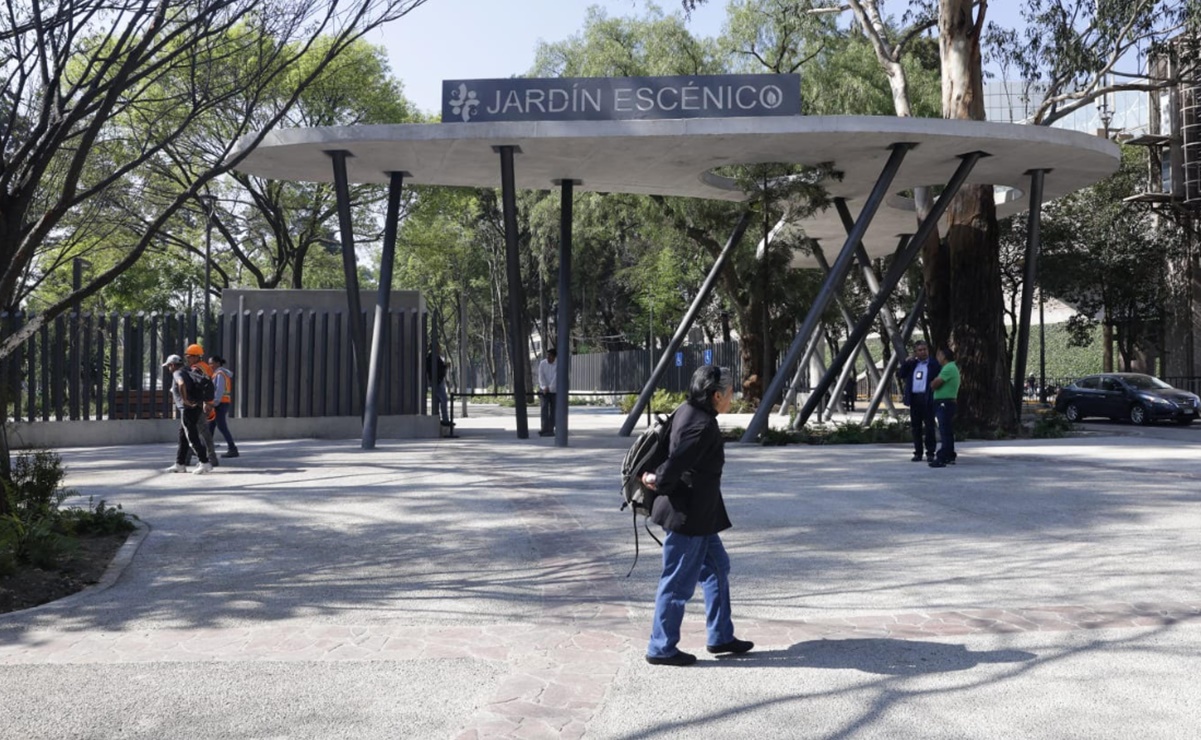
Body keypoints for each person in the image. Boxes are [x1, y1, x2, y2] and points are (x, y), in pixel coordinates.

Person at [640, 365, 752, 666]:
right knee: (677, 582)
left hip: (700, 513)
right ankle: (661, 647)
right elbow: (676, 463)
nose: (732, 399)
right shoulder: (701, 425)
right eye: (730, 394)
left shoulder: (686, 411)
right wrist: (655, 480)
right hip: (687, 515)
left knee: (717, 568)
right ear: (717, 395)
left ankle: (721, 636)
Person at [162, 353, 212, 475]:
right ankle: (180, 464)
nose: (169, 369)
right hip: (196, 406)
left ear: (173, 365)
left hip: (188, 409)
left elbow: (181, 383)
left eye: (169, 366)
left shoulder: (177, 373)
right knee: (183, 437)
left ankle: (205, 463)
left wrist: (184, 400)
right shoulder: (189, 370)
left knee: (192, 437)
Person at [897, 340, 941, 463]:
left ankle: (931, 452)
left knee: (929, 427)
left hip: (927, 398)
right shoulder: (912, 364)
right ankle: (918, 452)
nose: (923, 352)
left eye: (924, 349)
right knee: (916, 427)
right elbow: (901, 374)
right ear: (915, 352)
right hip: (915, 398)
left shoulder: (933, 363)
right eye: (920, 350)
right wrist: (907, 362)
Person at [184, 344, 218, 468]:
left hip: (199, 404)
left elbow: (202, 387)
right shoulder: (205, 367)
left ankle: (186, 458)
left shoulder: (196, 369)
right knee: (202, 431)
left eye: (190, 356)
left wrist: (204, 403)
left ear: (197, 357)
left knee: (191, 431)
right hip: (205, 403)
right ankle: (211, 457)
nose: (188, 359)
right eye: (187, 356)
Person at [929, 346, 961, 468]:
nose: (937, 358)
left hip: (944, 403)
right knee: (947, 430)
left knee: (944, 431)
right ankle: (950, 455)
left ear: (943, 356)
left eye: (939, 355)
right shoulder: (951, 367)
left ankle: (942, 457)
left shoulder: (948, 368)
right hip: (947, 402)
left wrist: (933, 383)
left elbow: (935, 384)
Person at [208, 355, 239, 458]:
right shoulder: (220, 374)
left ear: (217, 363)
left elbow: (219, 390)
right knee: (210, 426)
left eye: (211, 363)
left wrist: (214, 402)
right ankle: (206, 448)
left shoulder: (219, 374)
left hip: (220, 403)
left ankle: (232, 449)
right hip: (221, 403)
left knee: (221, 426)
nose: (209, 365)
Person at [426, 349, 451, 426]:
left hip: (438, 381)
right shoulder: (432, 358)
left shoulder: (436, 357)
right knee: (444, 399)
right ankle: (445, 419)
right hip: (437, 382)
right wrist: (445, 366)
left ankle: (437, 418)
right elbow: (437, 369)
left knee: (437, 401)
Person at [536, 348, 557, 437]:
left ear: (554, 357)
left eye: (550, 356)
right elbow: (541, 377)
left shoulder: (559, 364)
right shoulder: (542, 363)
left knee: (554, 410)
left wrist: (550, 388)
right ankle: (544, 429)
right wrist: (544, 387)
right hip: (544, 389)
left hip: (555, 390)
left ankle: (551, 429)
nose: (548, 358)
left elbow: (556, 378)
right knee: (544, 409)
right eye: (547, 356)